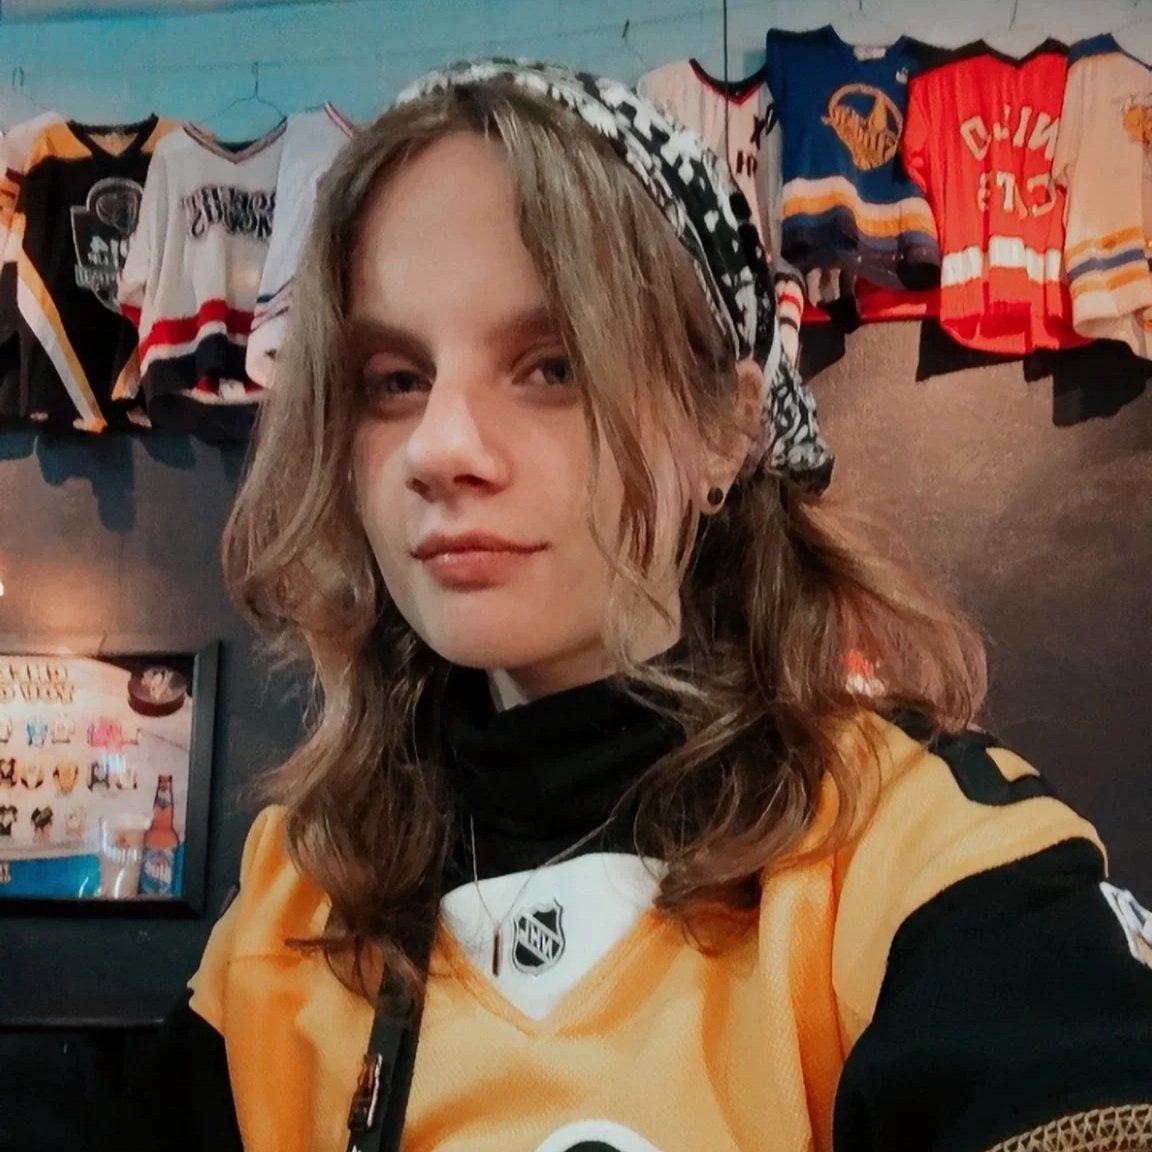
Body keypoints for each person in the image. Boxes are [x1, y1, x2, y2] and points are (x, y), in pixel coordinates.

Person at [125, 60, 1152, 1152]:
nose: (439, 449)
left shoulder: (909, 847)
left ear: (725, 429)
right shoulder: (297, 882)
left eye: (554, 365)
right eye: (394, 379)